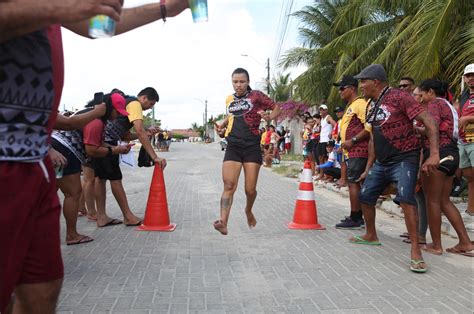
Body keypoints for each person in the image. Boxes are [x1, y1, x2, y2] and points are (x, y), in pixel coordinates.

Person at [0, 1, 190, 312]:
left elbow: (100, 25)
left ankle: (93, 219)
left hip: (34, 163)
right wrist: (57, 8)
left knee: (42, 291)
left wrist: (166, 8)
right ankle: (102, 217)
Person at [352, 64, 439, 273]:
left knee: (406, 200)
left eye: (364, 81)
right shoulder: (371, 104)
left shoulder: (400, 97)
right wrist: (368, 167)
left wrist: (435, 153)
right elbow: (374, 138)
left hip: (404, 158)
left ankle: (416, 251)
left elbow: (428, 120)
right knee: (365, 197)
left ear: (376, 82)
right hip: (382, 162)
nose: (361, 85)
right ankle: (371, 235)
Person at [214, 68, 281, 235]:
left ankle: (248, 210)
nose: (238, 85)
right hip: (233, 146)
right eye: (235, 82)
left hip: (251, 146)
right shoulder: (230, 99)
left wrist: (269, 117)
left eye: (242, 81)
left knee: (250, 190)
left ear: (248, 82)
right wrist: (222, 129)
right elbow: (232, 116)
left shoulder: (256, 95)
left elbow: (277, 107)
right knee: (229, 185)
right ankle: (223, 221)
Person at [417, 79, 474, 256]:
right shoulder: (449, 106)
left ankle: (436, 244)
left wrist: (414, 128)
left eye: (422, 94)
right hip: (451, 154)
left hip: (437, 153)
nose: (420, 98)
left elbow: (431, 128)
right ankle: (465, 242)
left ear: (431, 93)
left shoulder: (434, 105)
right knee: (444, 201)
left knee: (432, 200)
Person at [93, 87, 163, 227]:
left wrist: (145, 133)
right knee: (115, 179)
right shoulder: (135, 104)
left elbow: (125, 135)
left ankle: (101, 216)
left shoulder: (127, 103)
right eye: (151, 104)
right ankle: (127, 216)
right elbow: (139, 129)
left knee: (100, 179)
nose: (149, 109)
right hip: (108, 144)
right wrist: (154, 157)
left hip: (100, 141)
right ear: (143, 98)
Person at [334, 76, 371, 229]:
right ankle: (356, 215)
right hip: (351, 151)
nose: (340, 91)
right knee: (354, 183)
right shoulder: (352, 105)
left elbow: (368, 127)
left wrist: (353, 140)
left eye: (342, 88)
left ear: (352, 88)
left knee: (353, 183)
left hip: (359, 150)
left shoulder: (360, 104)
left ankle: (356, 218)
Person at [458, 63, 474, 232]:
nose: (471, 78)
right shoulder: (464, 96)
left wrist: (469, 119)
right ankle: (471, 210)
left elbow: (465, 117)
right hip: (464, 140)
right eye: (468, 76)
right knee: (469, 176)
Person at [315, 104, 335, 180]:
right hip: (321, 141)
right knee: (320, 158)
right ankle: (321, 175)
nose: (321, 111)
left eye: (323, 109)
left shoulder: (328, 117)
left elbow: (335, 124)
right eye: (320, 109)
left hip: (327, 141)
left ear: (326, 110)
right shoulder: (322, 119)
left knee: (327, 158)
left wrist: (332, 132)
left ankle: (328, 175)